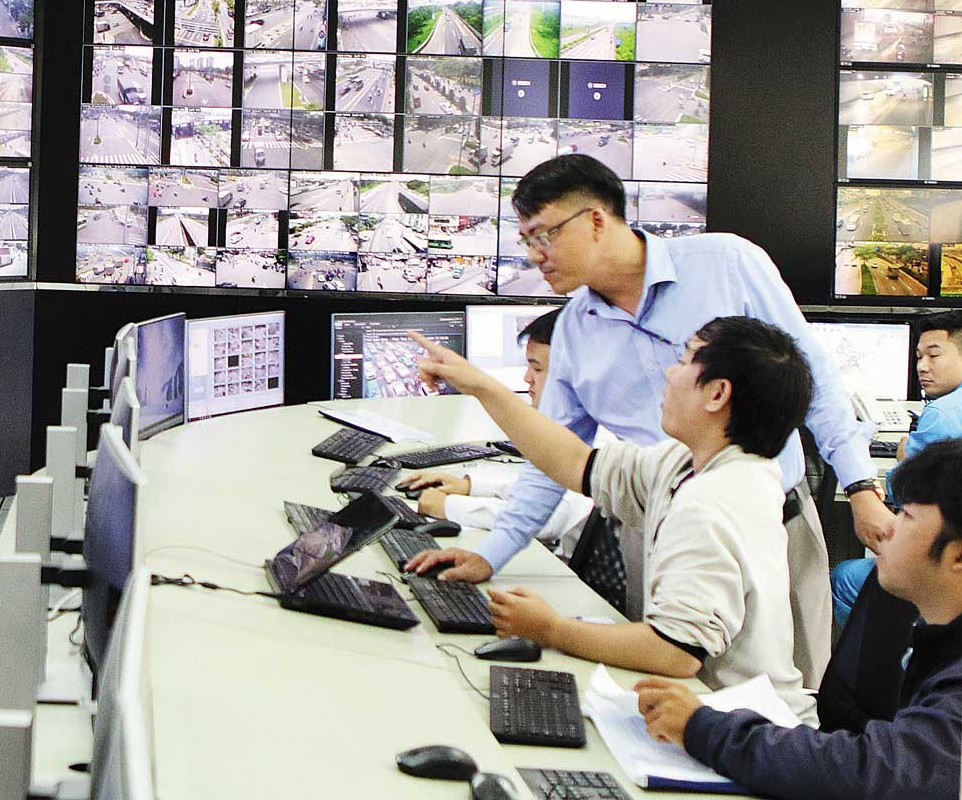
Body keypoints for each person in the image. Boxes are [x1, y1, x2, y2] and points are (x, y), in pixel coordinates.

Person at [406, 155, 883, 686]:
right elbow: (561, 458)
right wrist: (490, 555)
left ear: (595, 220)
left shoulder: (727, 263)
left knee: (788, 685)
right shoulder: (575, 333)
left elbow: (812, 376)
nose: (535, 255)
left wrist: (860, 487)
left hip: (778, 519)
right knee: (670, 688)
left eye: (544, 235)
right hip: (654, 520)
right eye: (526, 240)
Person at [411, 317, 816, 721]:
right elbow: (575, 462)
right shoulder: (691, 464)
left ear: (717, 394)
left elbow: (676, 651)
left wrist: (551, 630)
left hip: (740, 722)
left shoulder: (713, 501)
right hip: (706, 707)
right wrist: (482, 387)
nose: (669, 373)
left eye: (684, 360)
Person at [635, 439, 962, 799]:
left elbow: (872, 770)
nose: (888, 526)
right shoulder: (935, 636)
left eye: (906, 515)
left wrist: (702, 729)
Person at [402, 308, 597, 556]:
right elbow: (546, 486)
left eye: (537, 369)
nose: (527, 378)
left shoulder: (603, 437)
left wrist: (449, 506)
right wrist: (471, 486)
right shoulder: (579, 425)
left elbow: (551, 516)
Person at [831, 311, 962, 625]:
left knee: (844, 577)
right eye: (918, 357)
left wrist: (904, 456)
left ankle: (890, 653)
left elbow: (907, 497)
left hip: (946, 559)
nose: (922, 367)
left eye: (934, 356)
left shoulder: (943, 413)